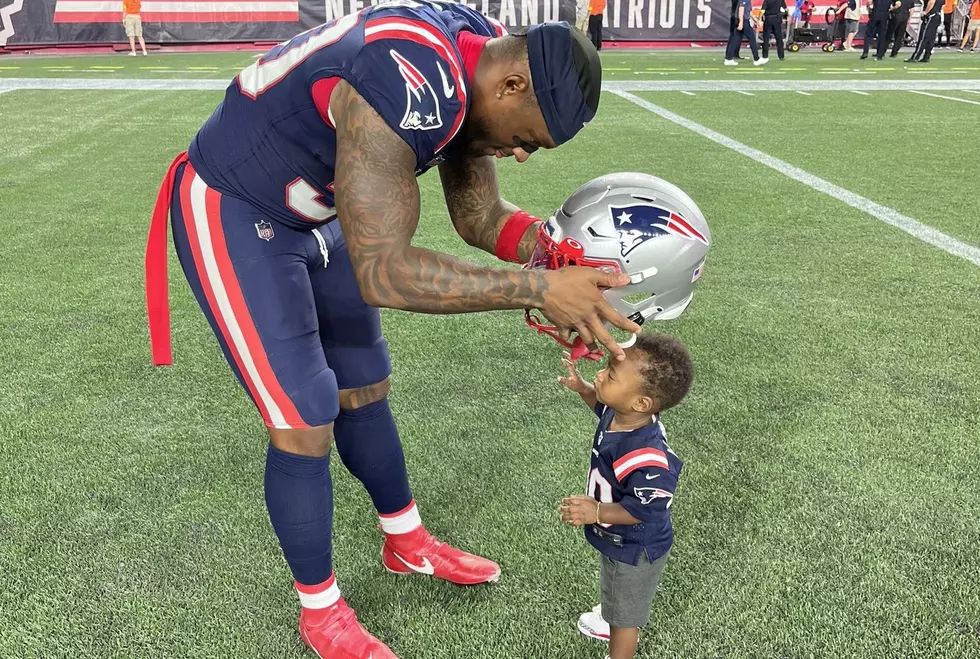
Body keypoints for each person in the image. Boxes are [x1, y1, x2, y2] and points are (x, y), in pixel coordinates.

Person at [143, 3, 640, 657]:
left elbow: (480, 212)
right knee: (304, 414)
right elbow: (386, 271)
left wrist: (554, 255)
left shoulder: (481, 59)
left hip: (322, 209)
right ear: (513, 85)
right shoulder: (409, 75)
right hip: (237, 204)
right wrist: (541, 288)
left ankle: (406, 541)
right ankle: (320, 612)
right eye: (528, 139)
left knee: (364, 380)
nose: (519, 155)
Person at [557, 332, 693, 659]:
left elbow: (644, 510)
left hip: (635, 547)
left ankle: (615, 635)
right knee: (614, 585)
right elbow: (602, 409)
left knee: (625, 622)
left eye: (611, 376)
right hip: (619, 539)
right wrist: (585, 391)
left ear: (642, 403)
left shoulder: (647, 459)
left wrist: (597, 512)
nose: (600, 375)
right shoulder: (623, 413)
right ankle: (613, 609)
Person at [726, 0, 766, 65]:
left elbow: (749, 11)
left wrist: (756, 20)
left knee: (734, 39)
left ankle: (728, 58)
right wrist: (741, 22)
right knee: (752, 39)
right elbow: (741, 9)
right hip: (743, 21)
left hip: (743, 20)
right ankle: (756, 59)